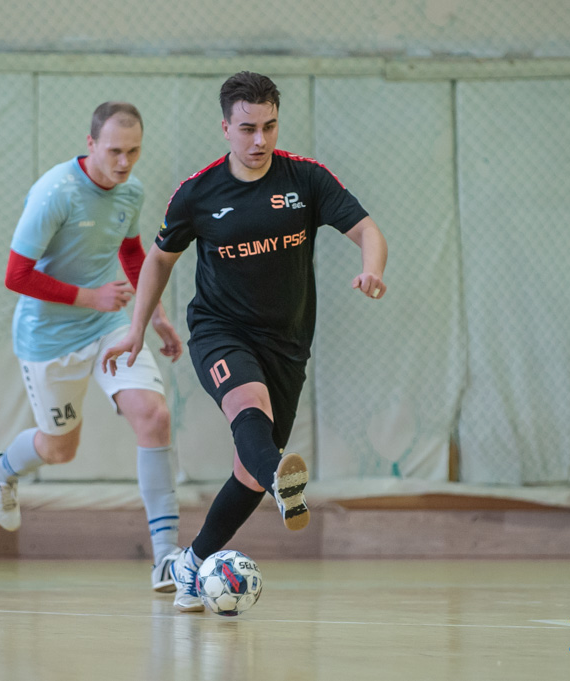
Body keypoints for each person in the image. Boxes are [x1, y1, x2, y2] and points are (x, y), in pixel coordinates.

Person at [102, 72, 388, 611]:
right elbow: (159, 259)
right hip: (221, 330)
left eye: (270, 127)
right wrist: (138, 328)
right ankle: (280, 478)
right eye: (248, 128)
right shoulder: (198, 193)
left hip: (288, 345)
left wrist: (371, 268)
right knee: (248, 407)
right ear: (225, 128)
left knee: (248, 471)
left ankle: (191, 563)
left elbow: (368, 230)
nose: (260, 140)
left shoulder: (306, 180)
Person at [0, 102, 184, 592]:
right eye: (114, 151)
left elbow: (132, 252)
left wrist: (154, 314)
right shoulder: (56, 192)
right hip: (49, 337)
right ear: (91, 144)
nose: (124, 163)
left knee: (154, 416)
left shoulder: (131, 191)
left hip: (108, 325)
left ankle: (166, 558)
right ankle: (1, 469)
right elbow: (15, 275)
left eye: (133, 151)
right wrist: (90, 296)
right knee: (59, 450)